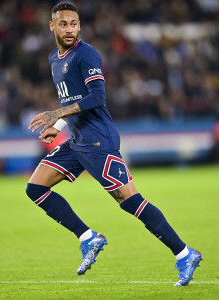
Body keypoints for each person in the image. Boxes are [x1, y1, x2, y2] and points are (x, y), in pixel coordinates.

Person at [26, 2, 202, 286]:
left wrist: (55, 115)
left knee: (129, 200)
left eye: (73, 24)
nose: (69, 29)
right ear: (52, 26)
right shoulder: (54, 59)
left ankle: (184, 253)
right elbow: (69, 100)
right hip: (78, 139)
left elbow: (97, 97)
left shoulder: (86, 54)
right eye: (63, 24)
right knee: (35, 187)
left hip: (99, 141)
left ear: (79, 25)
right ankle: (88, 237)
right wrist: (57, 126)